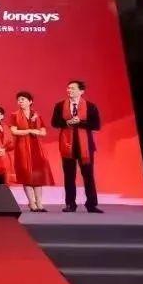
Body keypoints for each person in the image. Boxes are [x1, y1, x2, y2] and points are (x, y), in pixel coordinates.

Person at [51, 80, 102, 213]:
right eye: (68, 88)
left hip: (85, 146)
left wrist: (80, 122)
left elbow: (96, 125)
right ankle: (70, 204)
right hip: (67, 145)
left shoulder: (90, 106)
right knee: (69, 176)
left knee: (88, 175)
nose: (69, 90)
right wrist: (67, 123)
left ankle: (91, 204)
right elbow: (54, 123)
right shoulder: (59, 105)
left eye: (73, 88)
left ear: (81, 91)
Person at [10, 91, 53, 212]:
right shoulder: (14, 115)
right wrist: (29, 131)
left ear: (30, 101)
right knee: (27, 176)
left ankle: (39, 203)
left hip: (37, 148)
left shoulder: (37, 115)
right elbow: (14, 131)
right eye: (19, 100)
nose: (20, 102)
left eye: (23, 99)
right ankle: (32, 203)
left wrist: (37, 132)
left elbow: (43, 132)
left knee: (38, 176)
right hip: (22, 148)